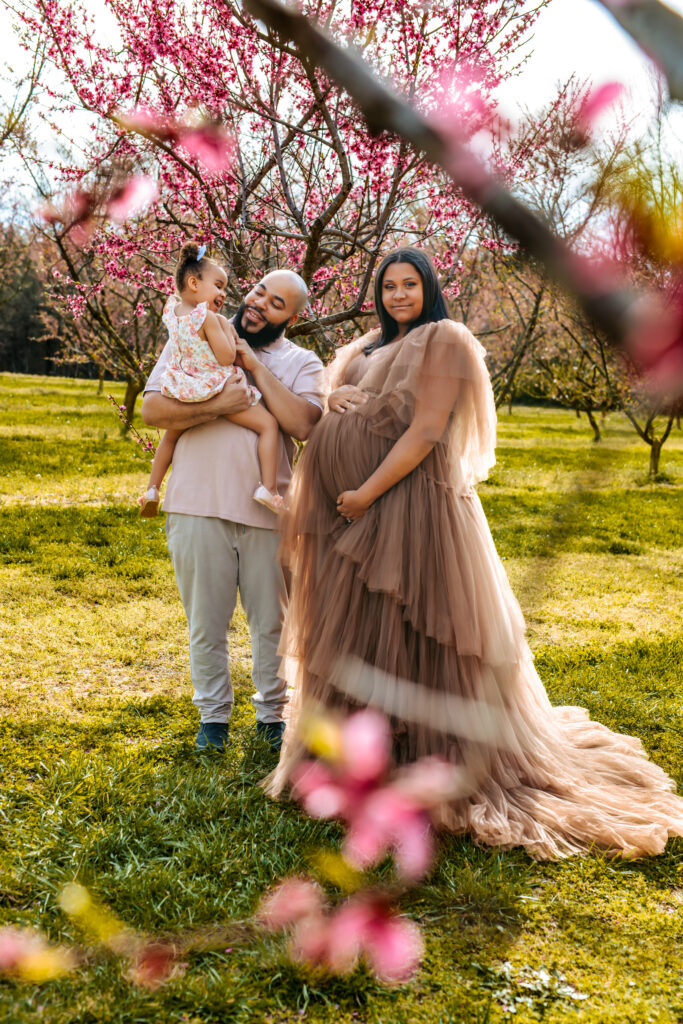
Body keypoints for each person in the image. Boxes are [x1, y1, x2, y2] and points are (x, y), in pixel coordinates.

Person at [265, 247, 683, 859]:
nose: (398, 295)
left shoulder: (446, 341)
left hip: (412, 509)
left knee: (419, 631)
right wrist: (338, 404)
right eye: (388, 286)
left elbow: (427, 430)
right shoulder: (362, 348)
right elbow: (334, 404)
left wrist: (365, 492)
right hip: (347, 521)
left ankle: (430, 760)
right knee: (360, 636)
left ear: (429, 288)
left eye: (410, 284)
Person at [141, 265, 324, 753]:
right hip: (196, 505)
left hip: (269, 513)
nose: (260, 303)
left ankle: (271, 716)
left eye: (276, 303)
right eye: (261, 291)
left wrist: (253, 367)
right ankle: (214, 719)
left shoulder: (302, 362)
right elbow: (153, 410)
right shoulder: (191, 336)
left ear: (292, 317)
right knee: (206, 620)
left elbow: (304, 424)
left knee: (271, 623)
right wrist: (219, 403)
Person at [139, 242, 283, 517]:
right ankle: (270, 489)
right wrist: (228, 334)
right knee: (269, 426)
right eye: (218, 285)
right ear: (194, 283)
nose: (223, 293)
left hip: (183, 386)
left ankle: (152, 489)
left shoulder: (171, 312)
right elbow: (227, 357)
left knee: (170, 438)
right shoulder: (207, 317)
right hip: (216, 387)